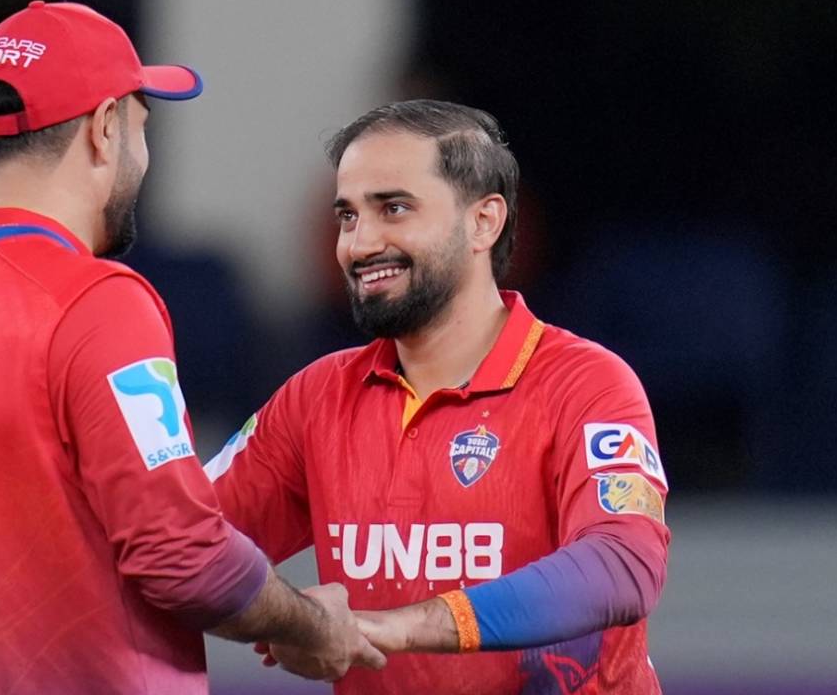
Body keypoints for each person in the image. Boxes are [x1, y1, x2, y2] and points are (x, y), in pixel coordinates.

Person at [0, 1, 383, 694]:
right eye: (142, 126)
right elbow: (183, 559)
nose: (141, 155)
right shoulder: (97, 304)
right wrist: (311, 624)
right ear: (105, 129)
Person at [206, 100, 670, 694]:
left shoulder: (585, 383)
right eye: (347, 217)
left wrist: (397, 628)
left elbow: (622, 567)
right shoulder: (316, 398)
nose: (359, 243)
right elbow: (184, 547)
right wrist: (299, 622)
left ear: (484, 222)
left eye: (393, 208)